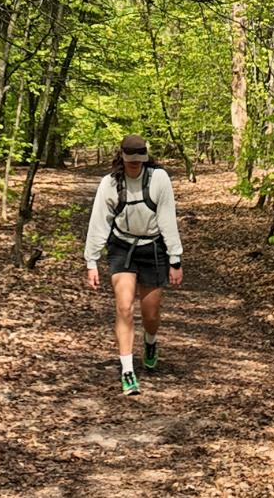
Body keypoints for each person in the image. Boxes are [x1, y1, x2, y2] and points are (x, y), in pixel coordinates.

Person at [84, 133, 184, 396]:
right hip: (122, 248)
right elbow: (99, 222)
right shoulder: (110, 184)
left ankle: (150, 341)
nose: (134, 164)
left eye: (139, 159)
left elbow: (167, 218)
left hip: (153, 248)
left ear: (145, 157)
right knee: (124, 307)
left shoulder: (159, 179)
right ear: (122, 156)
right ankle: (128, 371)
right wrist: (91, 261)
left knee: (150, 314)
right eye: (130, 159)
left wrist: (175, 259)